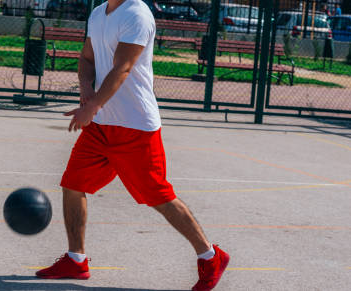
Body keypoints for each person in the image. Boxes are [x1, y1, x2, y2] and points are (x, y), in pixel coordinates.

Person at [34, 0, 229, 290]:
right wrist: (87, 91)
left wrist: (92, 106)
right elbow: (87, 59)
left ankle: (210, 256)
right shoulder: (99, 13)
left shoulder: (136, 13)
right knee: (73, 184)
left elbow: (123, 67)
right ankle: (76, 260)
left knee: (160, 197)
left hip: (135, 127)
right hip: (101, 125)